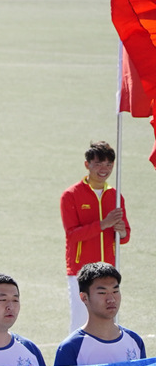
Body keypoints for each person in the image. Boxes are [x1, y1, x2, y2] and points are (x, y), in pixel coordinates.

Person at [60, 141, 127, 328]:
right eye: (98, 164)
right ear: (87, 164)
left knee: (109, 323)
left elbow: (125, 235)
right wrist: (104, 224)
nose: (104, 169)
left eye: (109, 164)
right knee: (81, 323)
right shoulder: (71, 195)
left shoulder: (116, 196)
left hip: (109, 270)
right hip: (81, 271)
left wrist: (121, 230)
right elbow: (72, 235)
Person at [55, 263, 145, 365]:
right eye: (102, 293)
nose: (111, 299)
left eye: (115, 291)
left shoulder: (135, 341)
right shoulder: (70, 348)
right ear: (84, 298)